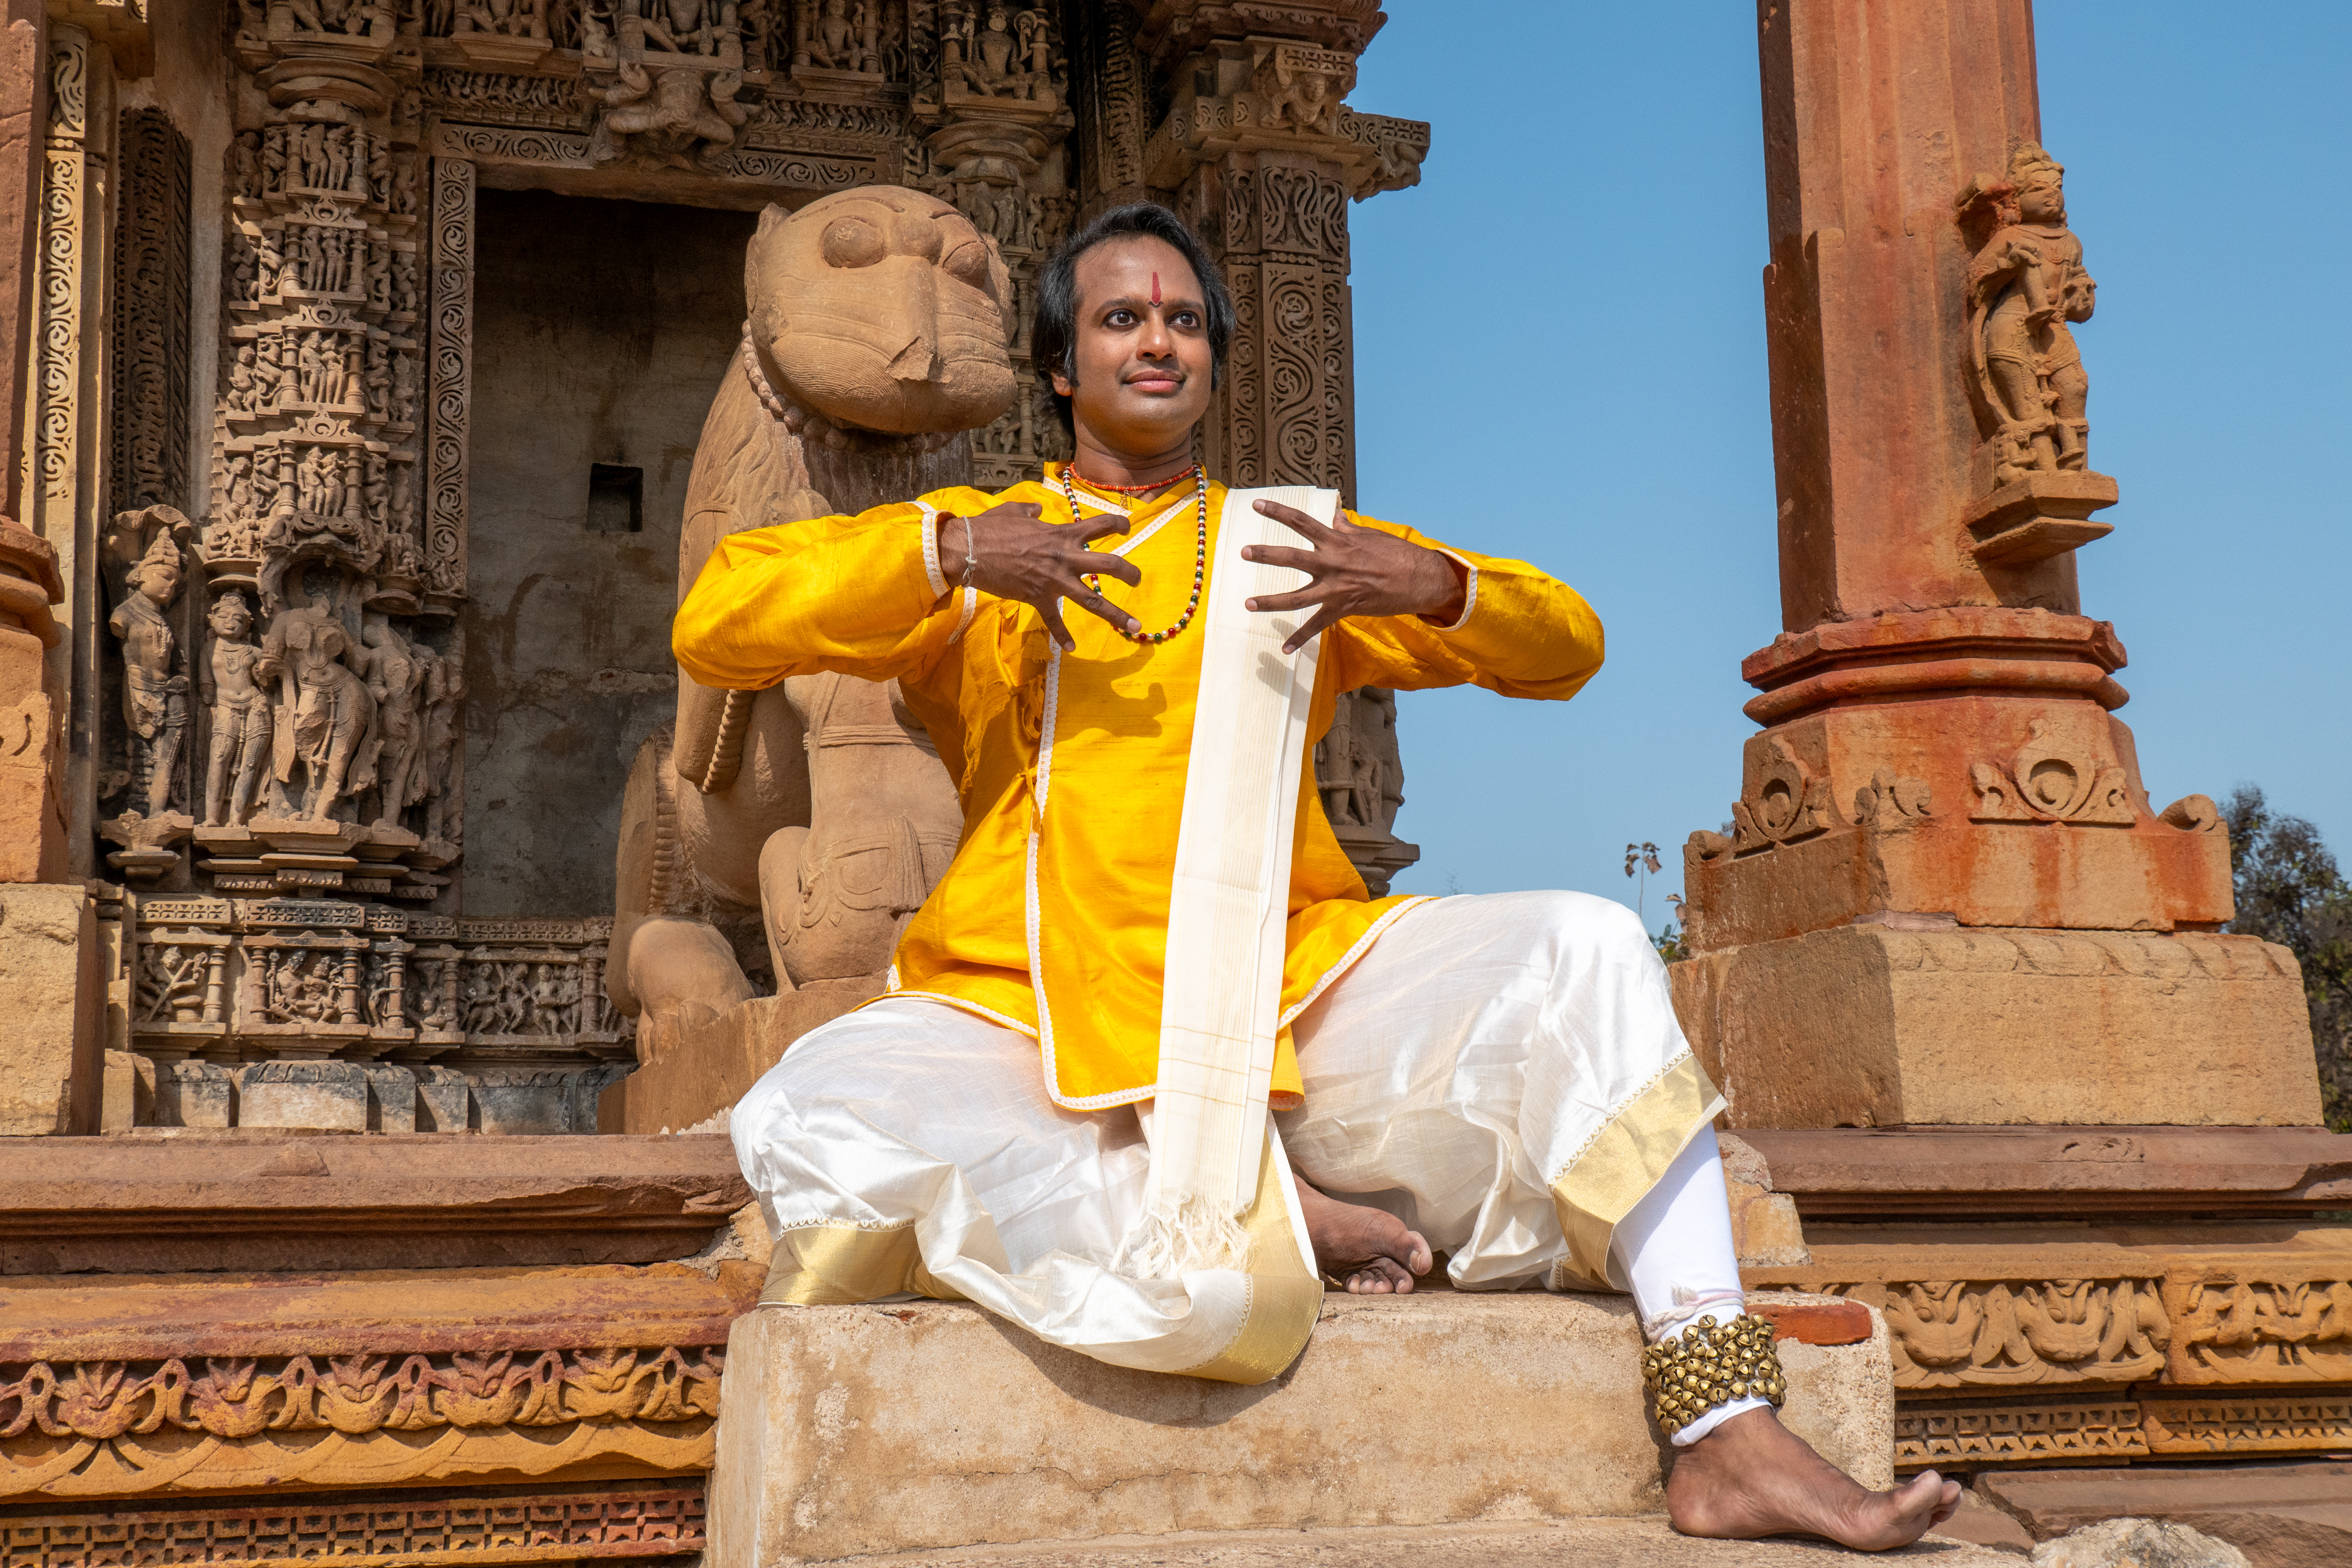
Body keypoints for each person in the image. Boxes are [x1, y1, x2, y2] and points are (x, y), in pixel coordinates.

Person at [674, 202, 1961, 1549]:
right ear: (1062, 367)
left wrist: (1441, 585)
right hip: (1028, 1015)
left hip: (1286, 1006)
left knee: (1581, 941)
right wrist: (952, 556)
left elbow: (1570, 647)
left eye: (1183, 321)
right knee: (825, 1107)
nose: (1156, 341)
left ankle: (1725, 1431)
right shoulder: (980, 544)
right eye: (1121, 318)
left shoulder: (1286, 549)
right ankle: (1277, 1211)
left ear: (1216, 360)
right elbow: (720, 614)